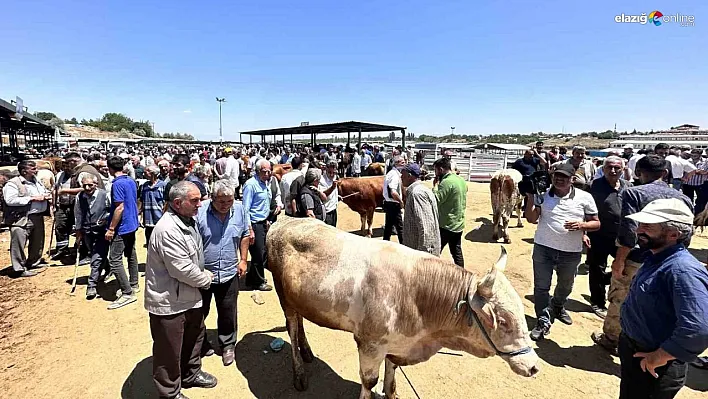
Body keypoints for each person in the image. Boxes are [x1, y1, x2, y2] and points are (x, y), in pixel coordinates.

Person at [592, 155, 693, 355]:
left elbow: (629, 231)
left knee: (620, 297)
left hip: (637, 258)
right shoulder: (683, 198)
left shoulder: (633, 193)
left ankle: (611, 338)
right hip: (669, 260)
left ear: (638, 173)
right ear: (664, 174)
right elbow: (687, 234)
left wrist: (619, 260)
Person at [617, 198, 708, 399]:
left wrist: (659, 356)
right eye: (640, 224)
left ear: (673, 234)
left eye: (648, 226)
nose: (638, 230)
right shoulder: (656, 256)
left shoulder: (682, 270)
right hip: (636, 353)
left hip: (656, 367)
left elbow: (698, 329)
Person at [145, 181, 218, 399]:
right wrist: (206, 279)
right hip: (170, 301)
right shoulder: (167, 229)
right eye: (195, 200)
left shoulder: (188, 221)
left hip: (189, 296)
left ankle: (191, 374)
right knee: (169, 350)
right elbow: (182, 269)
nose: (200, 204)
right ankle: (169, 393)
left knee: (194, 337)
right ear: (177, 203)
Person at [524, 163, 600, 341]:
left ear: (572, 179)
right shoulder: (543, 195)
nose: (559, 179)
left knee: (565, 285)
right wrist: (530, 197)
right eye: (556, 175)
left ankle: (557, 306)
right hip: (543, 248)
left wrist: (582, 226)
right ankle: (543, 320)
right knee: (541, 287)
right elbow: (531, 219)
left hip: (570, 251)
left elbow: (596, 223)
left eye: (564, 176)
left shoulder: (585, 197)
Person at [196, 180, 250, 366]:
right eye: (221, 202)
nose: (226, 205)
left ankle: (228, 345)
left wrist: (243, 259)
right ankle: (201, 344)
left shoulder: (240, 209)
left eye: (229, 201)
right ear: (212, 198)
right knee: (199, 311)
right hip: (201, 274)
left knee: (228, 311)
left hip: (228, 271)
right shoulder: (200, 210)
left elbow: (244, 234)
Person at [587, 156, 629, 318]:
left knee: (626, 265)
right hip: (599, 235)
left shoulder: (628, 187)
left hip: (622, 236)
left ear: (623, 170)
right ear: (603, 169)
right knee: (597, 267)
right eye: (609, 167)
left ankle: (605, 281)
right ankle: (597, 302)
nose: (613, 171)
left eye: (617, 168)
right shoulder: (593, 187)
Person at [2, 161, 51, 278]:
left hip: (37, 216)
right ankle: (19, 268)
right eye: (33, 169)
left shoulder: (36, 181)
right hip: (21, 218)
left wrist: (47, 195)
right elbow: (10, 200)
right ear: (24, 171)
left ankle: (33, 262)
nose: (36, 170)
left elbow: (43, 192)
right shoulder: (12, 184)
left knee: (37, 241)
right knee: (18, 243)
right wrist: (32, 198)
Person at [105, 156, 140, 310]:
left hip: (122, 226)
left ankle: (127, 293)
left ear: (110, 169)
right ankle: (133, 283)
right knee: (131, 253)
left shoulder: (117, 184)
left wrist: (111, 228)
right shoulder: (131, 181)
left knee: (114, 259)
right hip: (132, 222)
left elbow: (119, 207)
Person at [74, 174, 111, 300]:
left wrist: (106, 220)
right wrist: (78, 231)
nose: (88, 187)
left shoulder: (105, 195)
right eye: (85, 185)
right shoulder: (80, 197)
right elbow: (78, 214)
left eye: (90, 185)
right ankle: (107, 267)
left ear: (96, 184)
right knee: (95, 253)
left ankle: (91, 285)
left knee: (96, 258)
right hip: (87, 231)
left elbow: (112, 210)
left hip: (102, 232)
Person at [242, 159, 273, 291]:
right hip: (254, 224)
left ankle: (252, 278)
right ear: (258, 171)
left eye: (269, 171)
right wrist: (250, 230)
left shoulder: (265, 183)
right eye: (264, 172)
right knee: (258, 254)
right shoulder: (251, 185)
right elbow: (245, 209)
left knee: (262, 253)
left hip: (262, 222)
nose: (267, 174)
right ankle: (258, 282)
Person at [432, 157, 467, 267]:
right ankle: (462, 274)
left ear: (441, 169)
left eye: (436, 170)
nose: (436, 173)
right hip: (458, 223)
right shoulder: (461, 180)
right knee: (456, 251)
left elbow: (435, 200)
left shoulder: (445, 183)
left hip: (446, 224)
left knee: (435, 251)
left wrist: (435, 186)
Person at [400, 163, 440, 255]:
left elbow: (426, 228)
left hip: (419, 255)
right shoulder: (421, 190)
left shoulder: (417, 194)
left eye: (403, 175)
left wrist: (423, 256)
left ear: (409, 176)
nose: (401, 177)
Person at [51, 152, 82, 260]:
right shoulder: (59, 176)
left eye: (67, 165)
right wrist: (54, 205)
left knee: (78, 227)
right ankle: (62, 249)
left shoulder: (78, 175)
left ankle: (78, 248)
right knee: (60, 227)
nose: (65, 168)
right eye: (63, 166)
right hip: (62, 205)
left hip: (76, 205)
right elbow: (55, 190)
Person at [139, 165, 167, 245]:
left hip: (160, 220)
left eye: (147, 171)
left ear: (153, 173)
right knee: (149, 243)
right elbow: (141, 201)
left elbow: (166, 203)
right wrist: (140, 216)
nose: (144, 172)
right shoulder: (144, 186)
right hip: (148, 220)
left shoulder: (163, 185)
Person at [382, 156, 405, 242]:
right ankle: (403, 245)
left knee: (388, 227)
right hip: (394, 204)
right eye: (402, 162)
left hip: (388, 203)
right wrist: (401, 201)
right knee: (400, 228)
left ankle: (385, 242)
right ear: (396, 163)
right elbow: (393, 192)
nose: (404, 164)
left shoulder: (391, 173)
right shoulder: (395, 175)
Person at [319, 160, 339, 227]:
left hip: (333, 210)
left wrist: (337, 196)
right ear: (326, 169)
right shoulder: (321, 180)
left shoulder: (335, 177)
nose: (331, 175)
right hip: (326, 212)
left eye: (334, 172)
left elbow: (333, 192)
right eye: (329, 172)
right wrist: (332, 187)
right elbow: (323, 195)